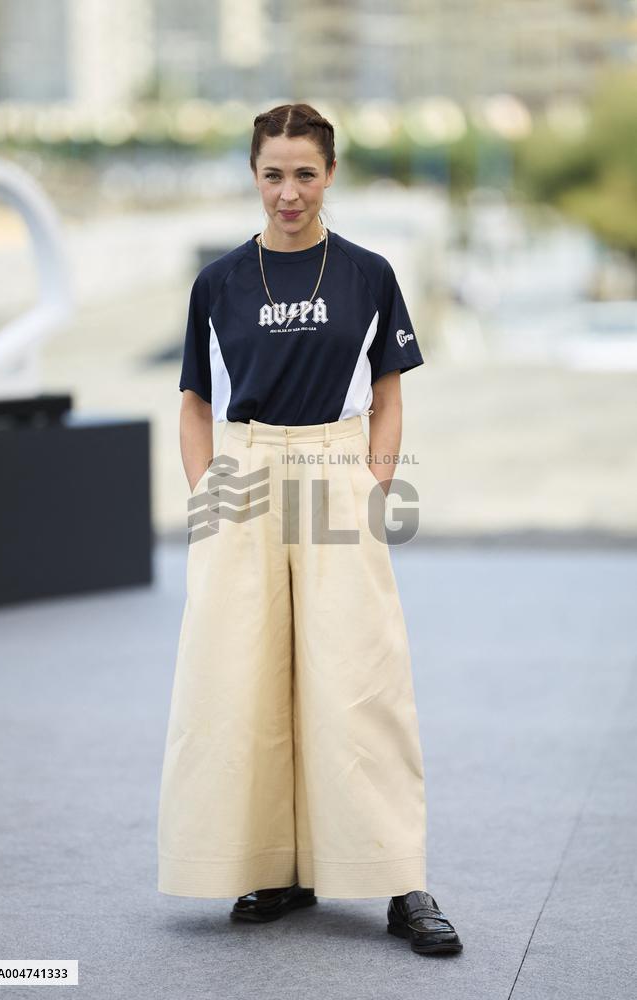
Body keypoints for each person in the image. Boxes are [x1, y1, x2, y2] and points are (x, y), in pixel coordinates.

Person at [157, 103, 463, 957]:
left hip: (336, 468)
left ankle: (401, 881)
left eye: (304, 174)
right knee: (237, 680)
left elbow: (389, 393)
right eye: (272, 174)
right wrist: (205, 498)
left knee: (360, 677)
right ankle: (272, 867)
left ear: (330, 174)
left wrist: (374, 483)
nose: (288, 192)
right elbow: (195, 403)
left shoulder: (368, 274)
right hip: (244, 474)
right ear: (253, 176)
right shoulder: (219, 282)